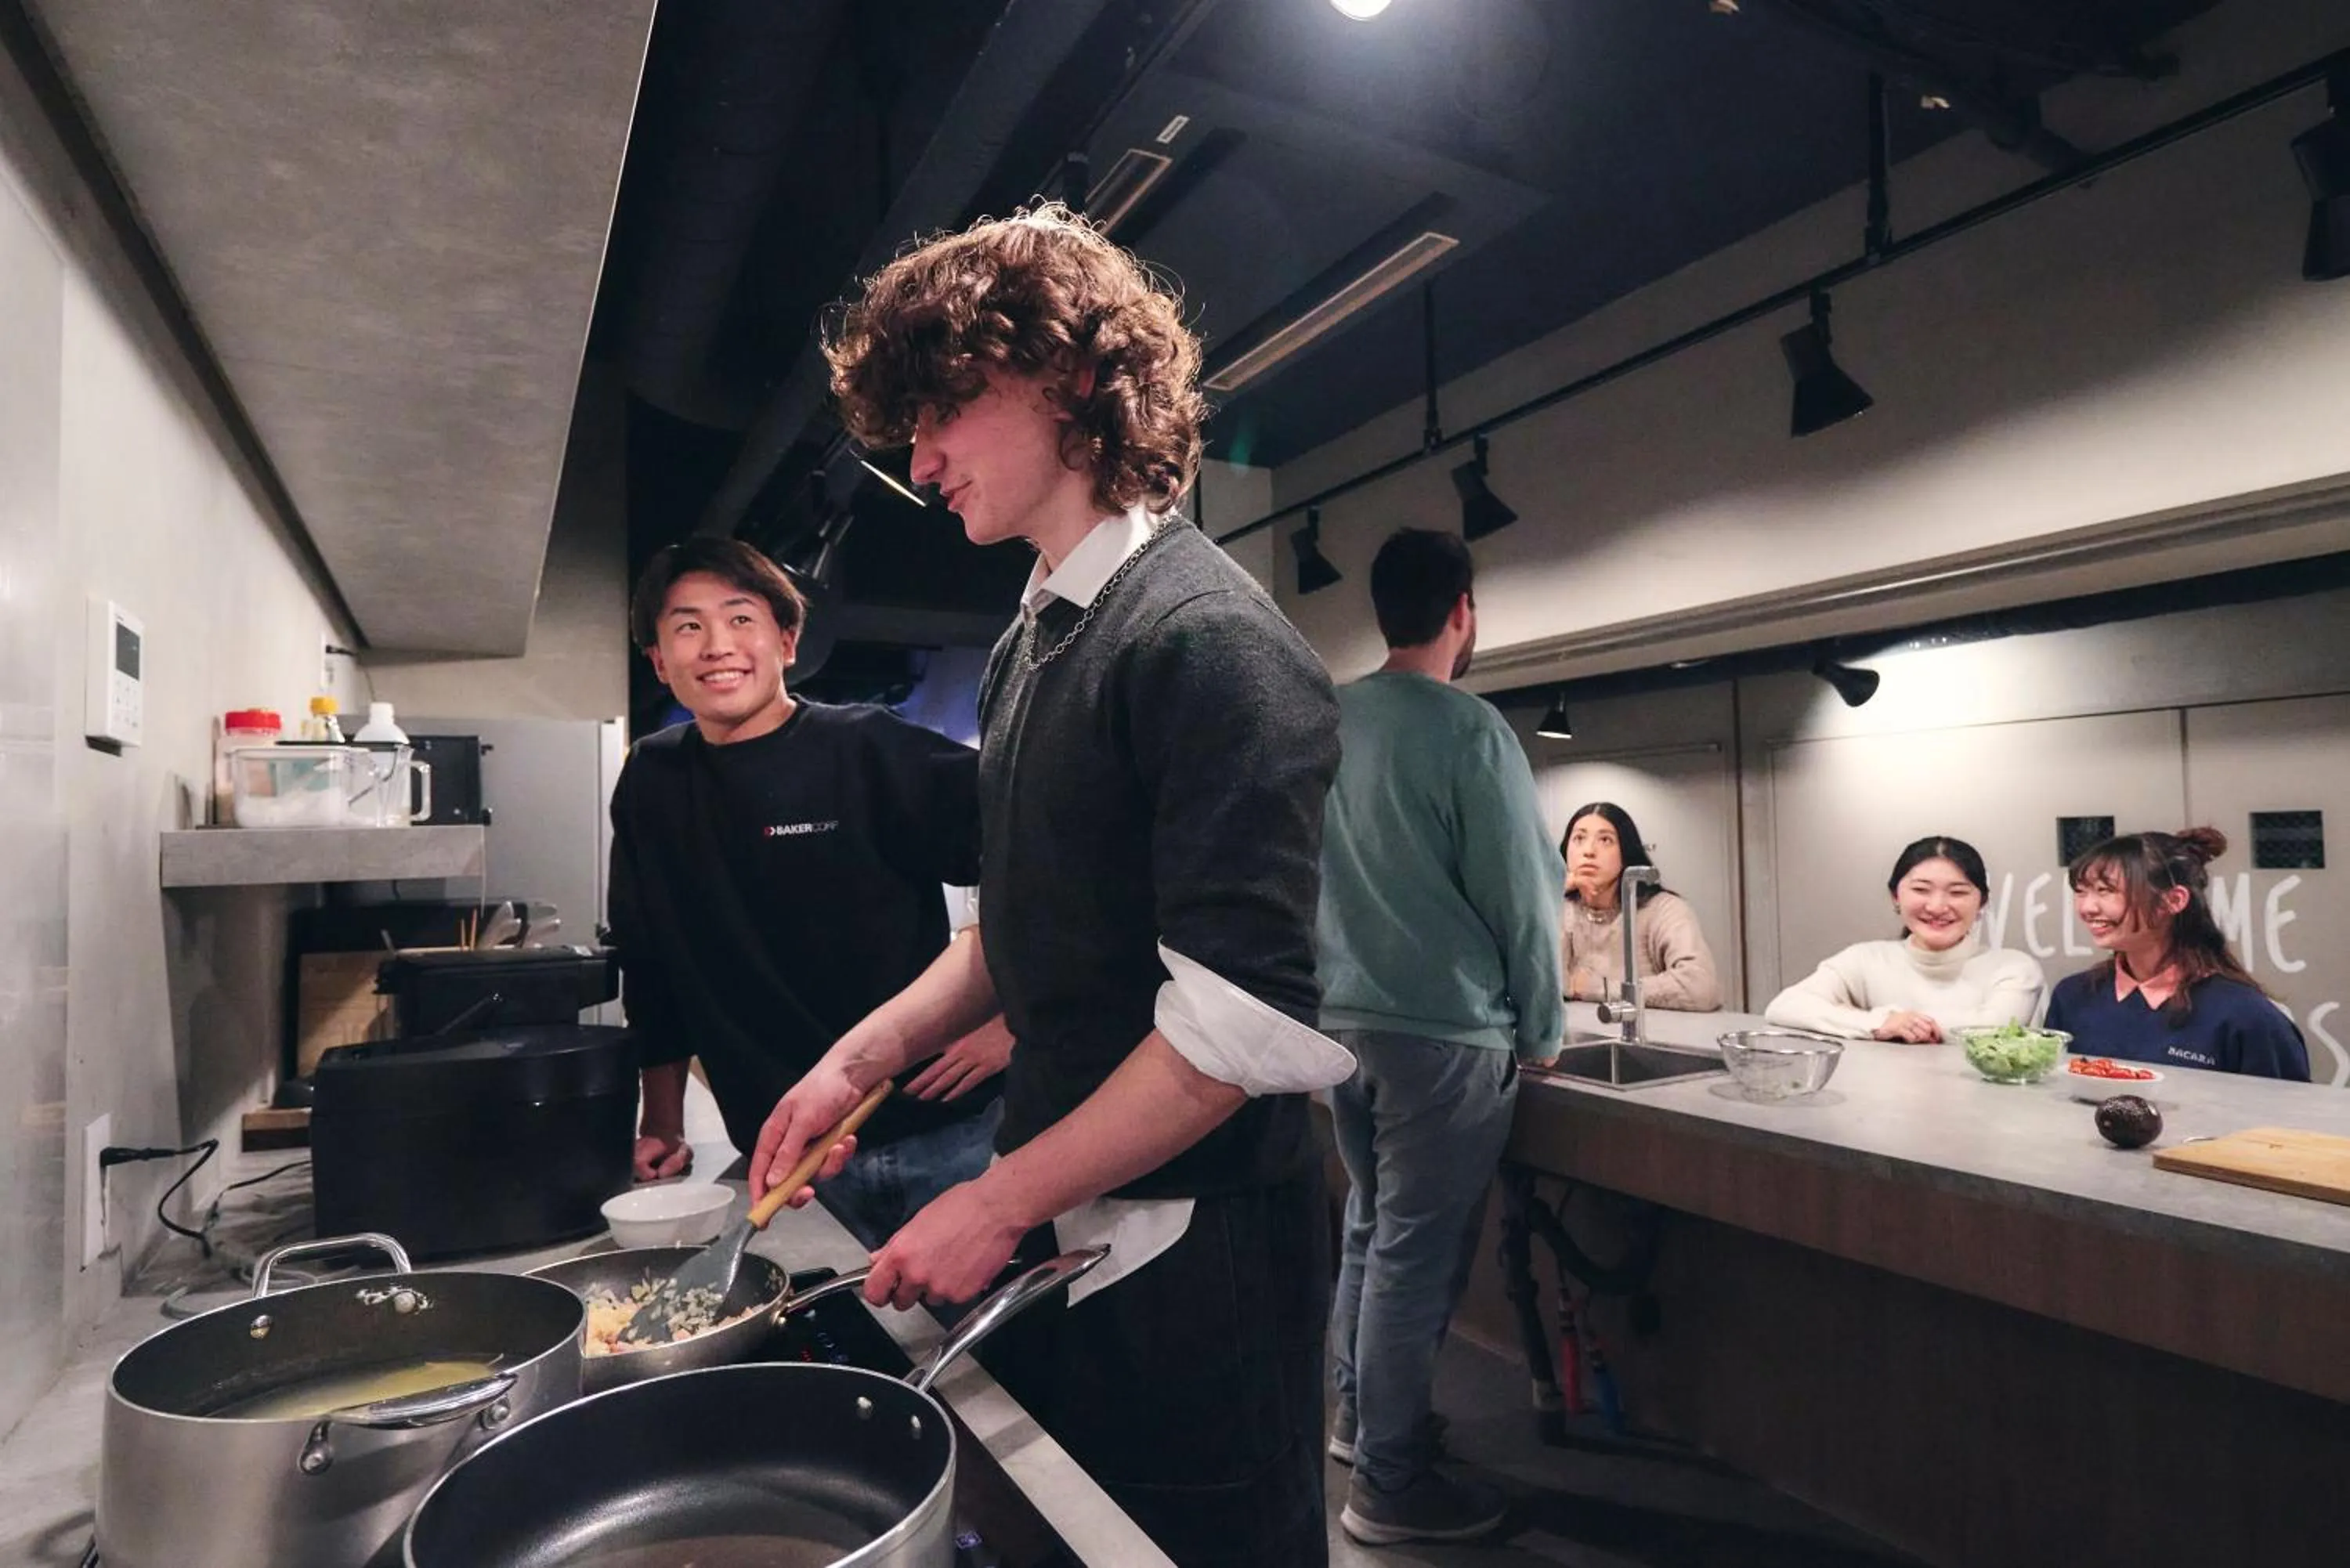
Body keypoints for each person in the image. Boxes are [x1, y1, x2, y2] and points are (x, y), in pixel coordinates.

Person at [749, 204, 1350, 1567]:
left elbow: (1229, 1034)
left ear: (1072, 377)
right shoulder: (1036, 638)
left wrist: (997, 1195)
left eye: (945, 408)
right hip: (1083, 1221)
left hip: (1201, 1249)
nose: (921, 458)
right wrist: (863, 1055)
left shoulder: (1209, 643)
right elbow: (1028, 917)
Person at [606, 537, 1012, 1252]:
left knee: (993, 1355)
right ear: (659, 662)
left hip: (943, 1130)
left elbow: (1049, 862)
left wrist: (1015, 1021)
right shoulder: (651, 781)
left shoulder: (867, 748)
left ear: (787, 643)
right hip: (788, 1164)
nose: (716, 646)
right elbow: (650, 964)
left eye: (740, 620)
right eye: (688, 627)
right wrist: (661, 1125)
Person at [1314, 528, 1564, 1545]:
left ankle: (1354, 1420)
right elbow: (1523, 894)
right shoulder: (1469, 729)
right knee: (1414, 1256)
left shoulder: (1328, 717)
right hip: (1443, 1034)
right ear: (1463, 607)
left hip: (1343, 1024)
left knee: (1370, 1232)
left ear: (1384, 610)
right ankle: (1392, 1479)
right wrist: (1541, 1026)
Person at [2044, 828, 2310, 1078]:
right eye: (2081, 892)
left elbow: (2287, 1119)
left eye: (2106, 891)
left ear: (2173, 901)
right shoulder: (2072, 997)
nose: (2087, 908)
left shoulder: (2246, 1015)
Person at [1765, 836, 2044, 1041]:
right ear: (1895, 896)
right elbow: (1785, 1007)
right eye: (1921, 890)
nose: (1937, 906)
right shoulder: (1864, 959)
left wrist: (1898, 1023)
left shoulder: (2013, 968)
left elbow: (1992, 1031)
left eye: (1957, 892)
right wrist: (1879, 1022)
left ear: (1981, 902)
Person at [1559, 801, 1722, 1011]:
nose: (1589, 851)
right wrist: (1550, 894)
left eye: (1605, 840)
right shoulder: (1559, 907)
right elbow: (1534, 984)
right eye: (1579, 839)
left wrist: (1603, 989)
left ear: (1626, 853)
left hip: (1656, 1036)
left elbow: (1701, 987)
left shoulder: (1664, 910)